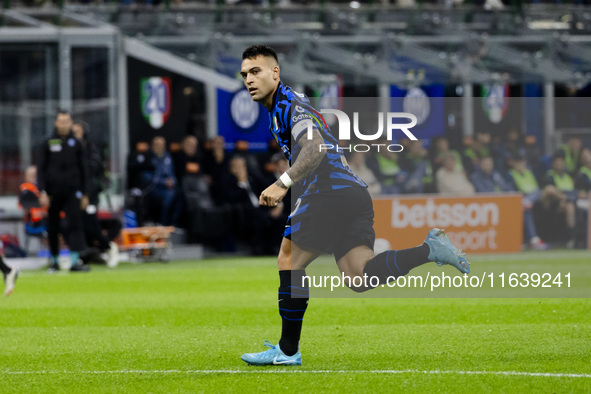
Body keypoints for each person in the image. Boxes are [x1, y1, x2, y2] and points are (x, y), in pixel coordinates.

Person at [238, 45, 470, 366]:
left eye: (256, 71)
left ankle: (288, 351)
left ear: (275, 73)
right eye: (245, 75)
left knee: (289, 260)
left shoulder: (290, 106)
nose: (249, 79)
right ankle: (429, 251)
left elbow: (315, 148)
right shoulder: (284, 106)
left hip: (330, 192)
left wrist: (282, 184)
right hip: (354, 192)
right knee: (358, 278)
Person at [38, 110, 90, 272]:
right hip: (53, 192)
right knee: (53, 226)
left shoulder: (77, 143)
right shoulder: (48, 143)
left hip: (73, 191)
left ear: (71, 123)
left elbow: (84, 170)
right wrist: (43, 192)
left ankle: (74, 261)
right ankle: (54, 261)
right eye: (61, 121)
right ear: (56, 123)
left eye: (67, 121)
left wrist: (85, 193)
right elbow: (41, 169)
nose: (64, 124)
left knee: (75, 224)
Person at [72, 121, 119, 268]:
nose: (74, 134)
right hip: (74, 194)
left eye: (77, 131)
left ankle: (109, 247)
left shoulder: (89, 148)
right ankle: (85, 254)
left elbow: (94, 169)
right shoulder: (70, 149)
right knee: (79, 226)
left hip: (90, 194)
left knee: (91, 224)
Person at [144, 136, 181, 226]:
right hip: (154, 188)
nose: (159, 147)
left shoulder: (168, 157)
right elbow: (146, 176)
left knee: (180, 195)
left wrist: (173, 181)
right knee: (168, 196)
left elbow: (172, 173)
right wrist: (164, 182)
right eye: (157, 145)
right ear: (152, 146)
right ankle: (163, 223)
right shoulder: (148, 158)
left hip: (169, 187)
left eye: (161, 145)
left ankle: (173, 224)